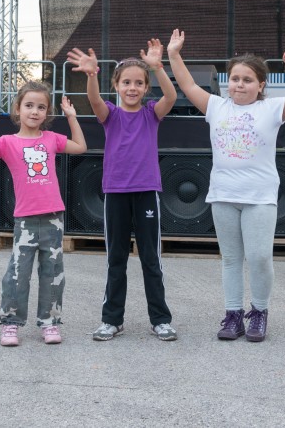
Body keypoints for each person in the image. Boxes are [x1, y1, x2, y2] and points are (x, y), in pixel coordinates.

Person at [166, 30, 285, 342]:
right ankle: (233, 315)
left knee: (259, 257)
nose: (240, 84)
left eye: (247, 80)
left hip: (260, 197)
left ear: (260, 85)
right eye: (235, 78)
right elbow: (188, 85)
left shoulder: (271, 108)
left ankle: (259, 312)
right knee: (231, 259)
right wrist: (174, 54)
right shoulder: (216, 106)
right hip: (223, 195)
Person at [66, 40, 180, 342]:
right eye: (126, 82)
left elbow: (171, 96)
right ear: (116, 85)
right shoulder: (111, 115)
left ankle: (161, 320)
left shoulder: (152, 114)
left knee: (151, 259)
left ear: (146, 88)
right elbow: (94, 101)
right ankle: (112, 320)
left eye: (139, 83)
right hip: (116, 193)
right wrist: (92, 75)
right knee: (116, 259)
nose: (132, 88)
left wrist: (158, 67)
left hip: (146, 192)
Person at [0, 82, 87, 347]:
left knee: (53, 272)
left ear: (47, 112)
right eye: (29, 105)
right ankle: (10, 323)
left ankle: (50, 322)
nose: (34, 111)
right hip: (26, 220)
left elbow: (80, 147)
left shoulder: (51, 139)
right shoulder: (7, 142)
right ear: (18, 109)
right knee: (18, 273)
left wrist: (72, 117)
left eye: (41, 107)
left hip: (53, 218)